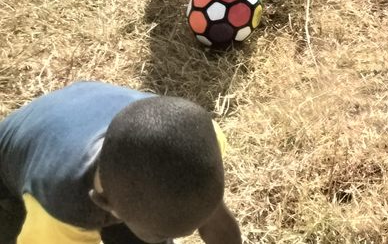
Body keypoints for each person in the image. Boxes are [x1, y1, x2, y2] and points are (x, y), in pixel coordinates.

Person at [0, 81, 241, 244]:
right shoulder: (62, 207)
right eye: (161, 234)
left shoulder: (199, 140)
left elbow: (216, 220)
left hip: (83, 106)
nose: (186, 235)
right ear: (105, 205)